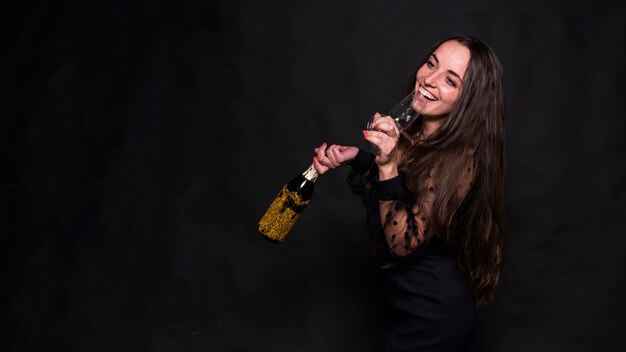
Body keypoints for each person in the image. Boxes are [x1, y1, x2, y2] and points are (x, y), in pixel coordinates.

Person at [312, 36, 505, 351]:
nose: (428, 79)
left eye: (450, 80)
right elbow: (397, 196)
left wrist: (387, 166)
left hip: (435, 317)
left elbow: (402, 242)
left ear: (466, 101)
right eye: (431, 63)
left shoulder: (459, 161)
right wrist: (356, 158)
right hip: (409, 306)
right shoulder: (417, 137)